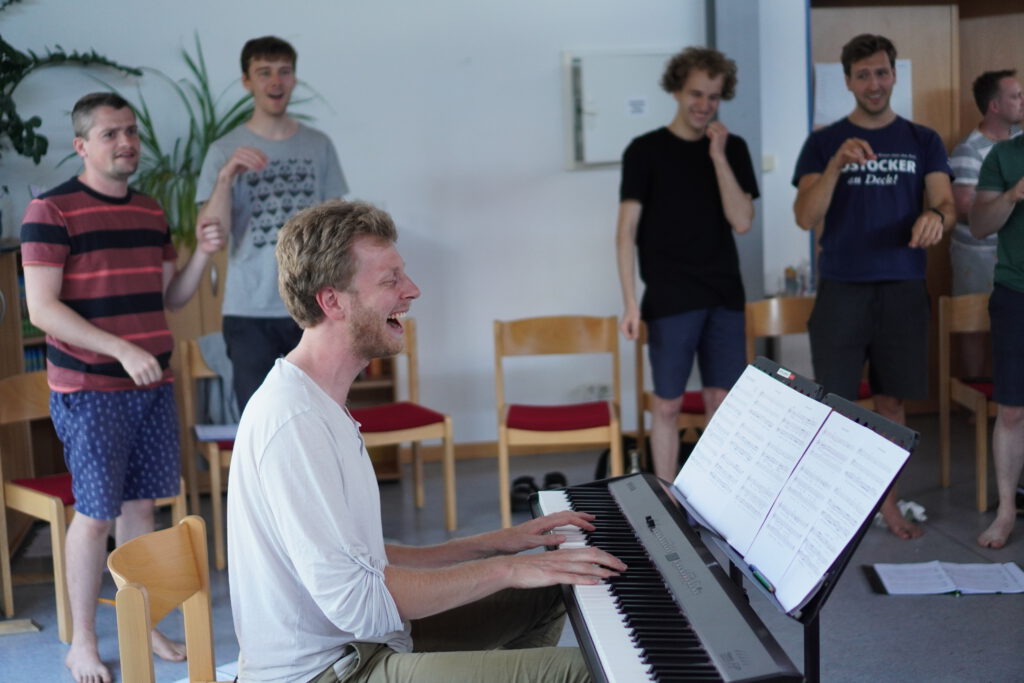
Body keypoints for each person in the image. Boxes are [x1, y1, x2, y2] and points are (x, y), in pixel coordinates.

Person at [227, 199, 624, 682]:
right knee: (594, 672)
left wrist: (494, 545)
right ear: (332, 302)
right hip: (328, 672)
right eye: (390, 280)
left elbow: (368, 561)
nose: (412, 290)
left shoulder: (316, 401)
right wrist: (508, 570)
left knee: (553, 590)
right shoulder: (295, 423)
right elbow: (360, 603)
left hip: (366, 645)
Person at [20, 92, 226, 683]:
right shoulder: (50, 210)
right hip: (90, 390)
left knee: (141, 510)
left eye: (131, 131)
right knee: (94, 514)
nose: (126, 142)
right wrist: (121, 349)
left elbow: (172, 298)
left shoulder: (150, 210)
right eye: (110, 134)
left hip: (152, 385)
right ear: (82, 145)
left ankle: (143, 623)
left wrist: (201, 255)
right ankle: (82, 642)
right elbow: (41, 309)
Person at [792, 34, 954, 540]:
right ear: (847, 81)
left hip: (903, 287)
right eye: (863, 75)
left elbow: (946, 204)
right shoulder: (824, 143)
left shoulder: (922, 139)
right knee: (833, 408)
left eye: (881, 72)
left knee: (892, 406)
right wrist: (836, 165)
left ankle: (888, 504)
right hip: (842, 289)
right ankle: (836, 510)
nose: (874, 83)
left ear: (894, 75)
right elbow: (805, 217)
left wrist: (935, 217)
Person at [615, 46, 758, 482]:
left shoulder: (733, 149)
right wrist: (631, 303)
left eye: (713, 97)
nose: (704, 105)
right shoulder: (644, 151)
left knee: (721, 401)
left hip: (724, 294)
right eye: (696, 94)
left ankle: (713, 495)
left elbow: (742, 221)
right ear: (677, 90)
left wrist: (718, 156)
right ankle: (666, 495)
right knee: (667, 404)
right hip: (670, 297)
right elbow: (625, 232)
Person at [196, 35, 347, 411]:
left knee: (323, 414)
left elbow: (338, 229)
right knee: (259, 418)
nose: (275, 82)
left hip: (313, 306)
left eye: (284, 71)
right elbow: (213, 235)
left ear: (294, 78)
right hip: (250, 309)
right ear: (247, 81)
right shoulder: (223, 150)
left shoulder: (318, 144)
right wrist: (226, 176)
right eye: (264, 72)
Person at [968, 125, 1024, 549]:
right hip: (1015, 296)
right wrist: (1013, 194)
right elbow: (979, 225)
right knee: (1011, 412)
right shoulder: (1003, 156)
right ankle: (1006, 511)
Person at [949, 70, 1023, 378]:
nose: (1022, 101)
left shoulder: (1018, 142)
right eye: (1015, 96)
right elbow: (966, 209)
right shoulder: (969, 150)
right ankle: (976, 390)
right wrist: (1007, 198)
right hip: (977, 256)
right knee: (975, 327)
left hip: (1011, 256)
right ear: (994, 105)